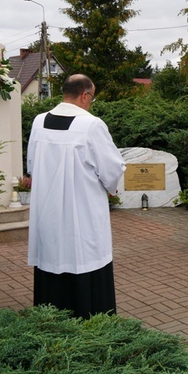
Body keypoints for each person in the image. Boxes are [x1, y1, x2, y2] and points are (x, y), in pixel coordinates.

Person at [26, 74, 126, 318]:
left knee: (52, 258)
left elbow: (31, 165)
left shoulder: (39, 122)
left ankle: (50, 319)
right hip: (82, 214)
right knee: (84, 257)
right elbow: (112, 169)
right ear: (84, 96)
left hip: (47, 214)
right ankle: (89, 320)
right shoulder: (91, 125)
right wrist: (111, 188)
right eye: (92, 98)